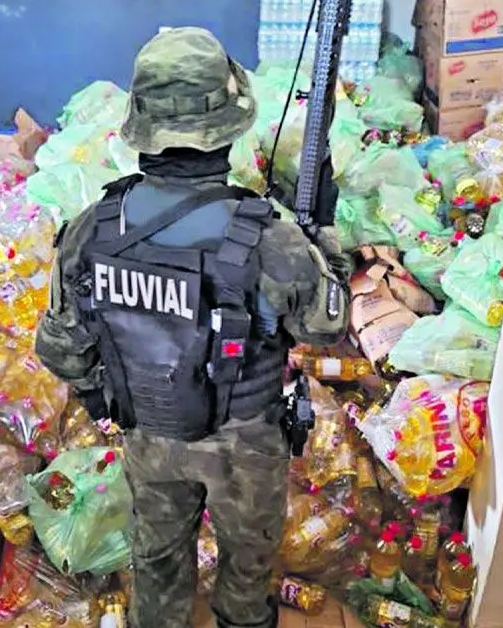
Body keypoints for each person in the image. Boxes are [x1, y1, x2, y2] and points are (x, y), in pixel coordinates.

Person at [36, 27, 352, 628]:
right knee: (248, 559)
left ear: (140, 126)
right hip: (246, 441)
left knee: (155, 558)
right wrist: (324, 242)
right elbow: (325, 326)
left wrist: (116, 379)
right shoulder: (268, 235)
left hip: (148, 434)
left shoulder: (91, 228)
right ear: (229, 127)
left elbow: (62, 352)